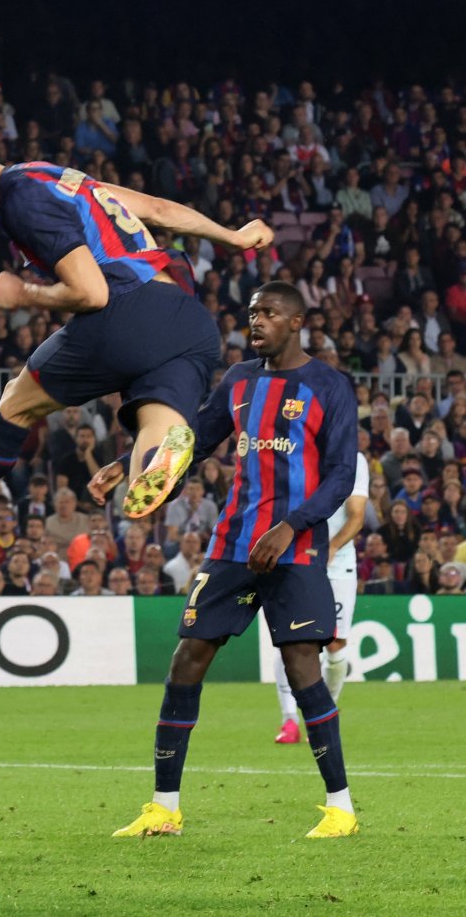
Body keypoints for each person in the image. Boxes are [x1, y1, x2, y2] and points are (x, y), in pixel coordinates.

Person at [0, 120, 273, 573]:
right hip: (187, 323)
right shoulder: (45, 175)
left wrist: (23, 295)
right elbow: (152, 207)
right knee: (153, 445)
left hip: (126, 312)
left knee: (14, 408)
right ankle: (157, 457)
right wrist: (232, 236)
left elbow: (92, 293)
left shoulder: (22, 202)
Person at [91, 283, 358, 840]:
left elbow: (340, 476)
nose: (255, 321)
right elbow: (195, 441)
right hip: (233, 545)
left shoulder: (330, 386)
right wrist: (128, 461)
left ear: (297, 322)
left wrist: (291, 527)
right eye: (253, 312)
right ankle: (164, 808)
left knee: (303, 667)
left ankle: (341, 808)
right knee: (187, 660)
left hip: (296, 549)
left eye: (269, 313)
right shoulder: (238, 381)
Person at [272, 451, 368, 744]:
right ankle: (289, 720)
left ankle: (323, 713)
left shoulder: (354, 459)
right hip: (297, 558)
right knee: (291, 637)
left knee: (336, 644)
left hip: (338, 564)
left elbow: (357, 516)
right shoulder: (295, 452)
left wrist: (333, 547)